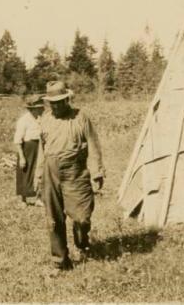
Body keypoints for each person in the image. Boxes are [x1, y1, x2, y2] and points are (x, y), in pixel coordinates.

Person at [35, 81, 106, 274]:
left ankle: (82, 239)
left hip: (75, 170)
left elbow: (93, 145)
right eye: (52, 102)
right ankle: (60, 261)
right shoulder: (45, 119)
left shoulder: (80, 117)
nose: (56, 106)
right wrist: (38, 174)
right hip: (51, 170)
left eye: (59, 101)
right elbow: (42, 149)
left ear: (67, 99)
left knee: (82, 217)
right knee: (53, 219)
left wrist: (97, 172)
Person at [14, 95, 45, 207]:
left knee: (40, 171)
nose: (42, 109)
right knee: (25, 172)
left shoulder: (42, 118)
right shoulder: (24, 120)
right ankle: (23, 199)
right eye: (39, 108)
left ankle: (38, 198)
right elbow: (18, 140)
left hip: (40, 147)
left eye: (42, 107)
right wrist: (22, 157)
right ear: (32, 109)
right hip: (27, 148)